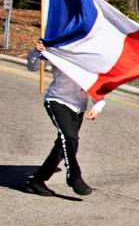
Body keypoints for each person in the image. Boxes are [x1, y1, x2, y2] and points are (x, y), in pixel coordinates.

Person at [24, 40, 104, 196]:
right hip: (57, 102)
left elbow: (98, 86)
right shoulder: (59, 51)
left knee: (63, 146)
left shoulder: (91, 60)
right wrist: (37, 52)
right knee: (69, 138)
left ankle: (37, 181)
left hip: (78, 108)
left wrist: (97, 106)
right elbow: (32, 66)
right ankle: (74, 176)